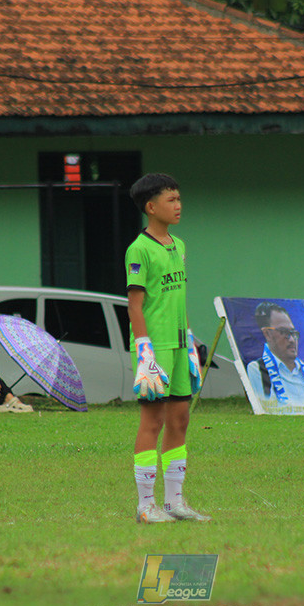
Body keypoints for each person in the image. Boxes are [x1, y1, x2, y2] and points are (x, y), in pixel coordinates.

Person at [125, 173, 210, 524]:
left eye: (179, 199)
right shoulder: (139, 249)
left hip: (178, 345)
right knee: (153, 420)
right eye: (170, 200)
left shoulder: (179, 245)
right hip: (155, 347)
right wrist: (144, 349)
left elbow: (178, 297)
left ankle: (174, 502)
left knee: (180, 419)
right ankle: (146, 506)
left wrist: (190, 340)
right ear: (151, 206)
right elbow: (134, 304)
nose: (178, 205)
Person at [246, 302, 304, 415]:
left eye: (293, 333)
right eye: (284, 332)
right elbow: (266, 411)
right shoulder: (258, 370)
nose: (291, 340)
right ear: (267, 334)